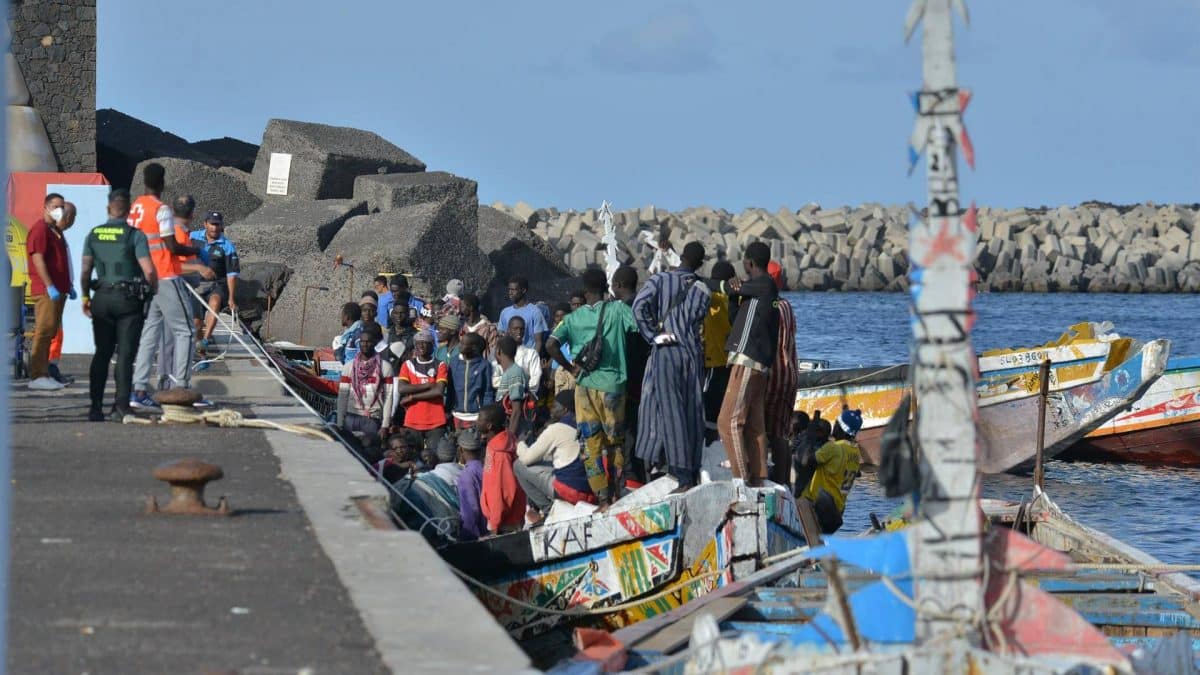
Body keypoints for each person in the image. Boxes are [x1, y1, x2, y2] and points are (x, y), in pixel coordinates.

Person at [546, 268, 637, 506]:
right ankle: (618, 492)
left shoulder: (572, 318)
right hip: (613, 386)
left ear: (585, 291)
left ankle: (602, 498)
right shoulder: (618, 309)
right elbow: (639, 329)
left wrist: (570, 367)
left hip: (584, 387)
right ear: (606, 286)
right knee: (615, 441)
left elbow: (551, 345)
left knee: (591, 443)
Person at [632, 242, 712, 489]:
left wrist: (651, 335)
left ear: (681, 257)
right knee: (691, 412)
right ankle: (691, 467)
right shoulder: (703, 289)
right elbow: (697, 319)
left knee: (668, 411)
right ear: (700, 263)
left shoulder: (659, 280)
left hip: (666, 349)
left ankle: (679, 473)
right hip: (692, 354)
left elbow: (638, 307)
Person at [129, 163, 204, 408]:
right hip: (165, 276)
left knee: (150, 333)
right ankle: (180, 385)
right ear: (162, 183)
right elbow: (171, 247)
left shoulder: (136, 207)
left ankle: (139, 390)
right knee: (186, 331)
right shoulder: (161, 210)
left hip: (146, 277)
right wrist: (196, 250)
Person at [80, 189, 156, 420]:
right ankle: (121, 405)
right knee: (125, 354)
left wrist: (86, 298)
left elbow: (85, 272)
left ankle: (95, 408)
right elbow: (149, 270)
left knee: (101, 352)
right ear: (129, 211)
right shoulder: (135, 235)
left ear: (108, 208)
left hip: (101, 298)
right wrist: (152, 290)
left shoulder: (94, 234)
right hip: (128, 301)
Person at [717, 242, 779, 487]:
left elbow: (722, 285)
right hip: (756, 363)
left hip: (748, 360)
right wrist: (734, 294)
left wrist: (701, 281)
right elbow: (736, 318)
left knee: (728, 421)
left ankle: (742, 480)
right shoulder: (756, 293)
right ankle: (760, 478)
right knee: (754, 424)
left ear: (750, 263)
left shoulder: (763, 284)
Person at [515, 391, 593, 518]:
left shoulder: (556, 429)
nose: (551, 408)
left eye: (555, 406)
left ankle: (548, 509)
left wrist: (520, 444)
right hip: (588, 491)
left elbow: (526, 458)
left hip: (569, 492)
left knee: (518, 465)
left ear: (565, 409)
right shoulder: (584, 425)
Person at [25, 192, 73, 390]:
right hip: (46, 290)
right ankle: (37, 375)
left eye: (62, 206)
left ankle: (44, 371)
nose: (59, 210)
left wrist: (67, 286)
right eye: (55, 206)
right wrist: (50, 285)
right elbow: (38, 260)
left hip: (58, 290)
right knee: (44, 331)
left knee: (51, 331)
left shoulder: (55, 231)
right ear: (45, 207)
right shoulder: (40, 230)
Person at [336, 323, 395, 464]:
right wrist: (339, 422)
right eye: (362, 342)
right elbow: (342, 395)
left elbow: (388, 397)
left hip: (372, 419)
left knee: (369, 455)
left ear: (374, 343)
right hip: (351, 417)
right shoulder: (349, 367)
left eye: (368, 341)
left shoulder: (385, 367)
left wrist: (385, 425)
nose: (365, 344)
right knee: (348, 454)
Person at [613, 266, 650, 486]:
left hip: (629, 382)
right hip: (644, 378)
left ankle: (632, 479)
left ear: (617, 285)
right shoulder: (644, 307)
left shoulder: (624, 311)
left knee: (628, 433)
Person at [765, 261, 799, 487]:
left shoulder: (769, 305)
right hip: (791, 373)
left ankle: (776, 482)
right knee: (783, 433)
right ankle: (785, 482)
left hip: (774, 374)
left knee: (771, 432)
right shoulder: (786, 305)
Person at [800, 409, 863, 534]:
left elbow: (806, 461)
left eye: (836, 423)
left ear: (840, 427)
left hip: (820, 506)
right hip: (837, 510)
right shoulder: (856, 452)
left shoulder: (834, 447)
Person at [476, 402, 527, 536]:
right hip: (504, 519)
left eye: (480, 418)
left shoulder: (500, 454)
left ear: (489, 425)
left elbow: (501, 490)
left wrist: (495, 524)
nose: (476, 421)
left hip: (504, 523)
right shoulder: (496, 446)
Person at [395, 329, 449, 456]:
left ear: (432, 345)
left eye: (425, 342)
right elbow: (402, 388)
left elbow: (439, 391)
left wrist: (413, 397)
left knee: (434, 457)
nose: (421, 346)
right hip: (413, 420)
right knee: (413, 457)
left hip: (436, 420)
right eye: (418, 343)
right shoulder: (407, 365)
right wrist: (427, 385)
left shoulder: (440, 365)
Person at [702, 261, 736, 443]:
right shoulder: (731, 298)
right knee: (720, 405)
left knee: (708, 405)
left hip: (710, 359)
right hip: (726, 360)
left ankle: (707, 441)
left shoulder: (708, 296)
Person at [46, 201, 78, 385]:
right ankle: (49, 368)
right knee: (53, 332)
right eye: (72, 218)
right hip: (54, 291)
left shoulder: (59, 236)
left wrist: (69, 285)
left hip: (61, 289)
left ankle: (52, 367)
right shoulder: (51, 235)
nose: (72, 222)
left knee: (57, 332)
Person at [447, 332, 495, 430]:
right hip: (456, 414)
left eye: (463, 343)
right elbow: (450, 389)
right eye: (461, 342)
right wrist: (447, 410)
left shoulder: (484, 365)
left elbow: (487, 392)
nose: (460, 345)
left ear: (473, 347)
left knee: (473, 444)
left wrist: (486, 414)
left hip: (476, 416)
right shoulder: (454, 362)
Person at [493, 316, 541, 398]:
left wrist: (520, 388)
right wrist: (518, 381)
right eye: (515, 329)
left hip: (525, 398)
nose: (519, 332)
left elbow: (535, 380)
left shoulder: (531, 353)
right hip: (502, 398)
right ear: (508, 330)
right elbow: (494, 380)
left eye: (522, 329)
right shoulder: (500, 352)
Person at [497, 276, 547, 352]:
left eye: (513, 290)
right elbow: (501, 337)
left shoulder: (535, 312)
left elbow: (538, 342)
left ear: (523, 290)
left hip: (527, 358)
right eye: (509, 290)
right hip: (510, 358)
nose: (510, 293)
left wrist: (533, 359)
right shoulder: (505, 312)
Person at [454, 429, 486, 541]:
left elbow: (470, 514)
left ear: (461, 450)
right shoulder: (488, 468)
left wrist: (467, 538)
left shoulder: (466, 476)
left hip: (483, 536)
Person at [549, 302, 576, 395]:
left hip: (571, 370)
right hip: (560, 373)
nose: (560, 319)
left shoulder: (571, 330)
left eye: (563, 315)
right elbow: (556, 357)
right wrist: (552, 377)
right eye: (557, 316)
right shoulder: (555, 334)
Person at [460, 292, 498, 357]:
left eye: (462, 306)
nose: (460, 309)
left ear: (471, 308)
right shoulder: (463, 328)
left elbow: (494, 350)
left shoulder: (488, 328)